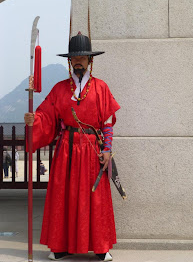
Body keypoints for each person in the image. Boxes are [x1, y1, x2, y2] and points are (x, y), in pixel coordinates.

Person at [24, 32, 120, 261]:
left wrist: (106, 150)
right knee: (63, 196)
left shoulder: (101, 88)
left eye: (83, 58)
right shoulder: (59, 89)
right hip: (66, 149)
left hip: (91, 150)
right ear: (70, 61)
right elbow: (46, 117)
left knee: (95, 197)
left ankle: (100, 246)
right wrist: (33, 121)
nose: (78, 61)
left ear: (90, 60)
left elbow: (107, 123)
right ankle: (60, 245)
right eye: (74, 58)